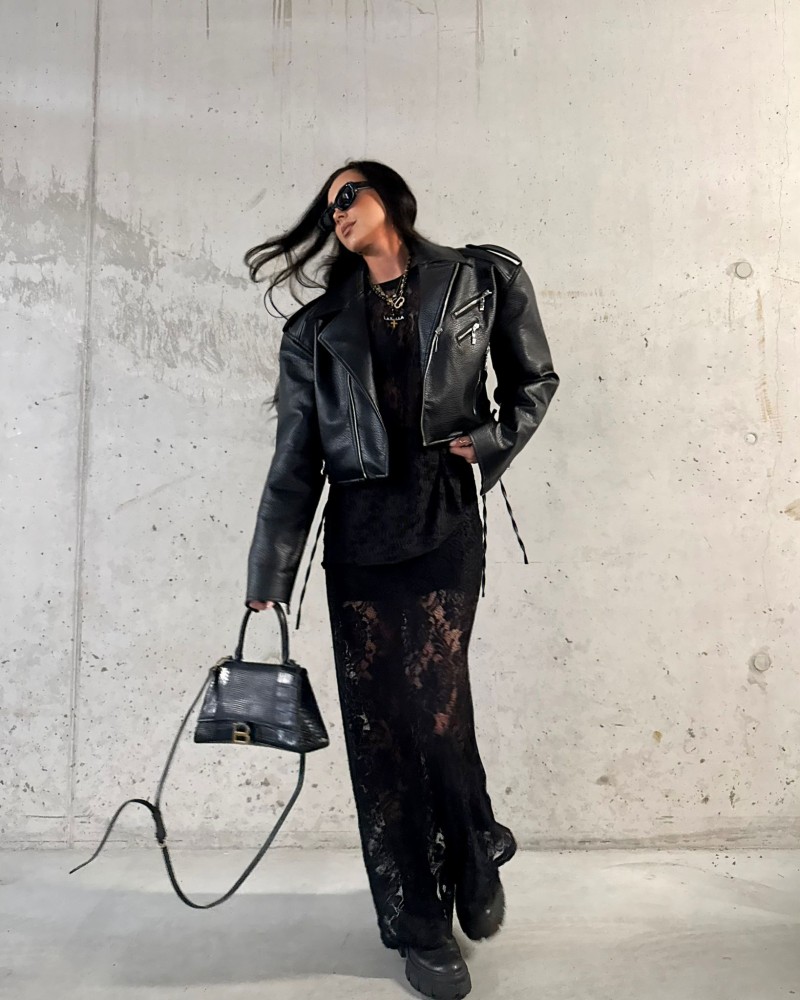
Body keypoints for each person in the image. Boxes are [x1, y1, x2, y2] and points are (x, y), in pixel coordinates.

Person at [243, 160, 559, 1000]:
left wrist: (486, 444)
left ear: (392, 197)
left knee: (436, 706)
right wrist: (269, 568)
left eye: (349, 195)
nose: (338, 213)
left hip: (442, 516)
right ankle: (421, 924)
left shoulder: (481, 278)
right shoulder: (316, 329)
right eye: (328, 208)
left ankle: (473, 841)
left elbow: (534, 382)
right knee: (380, 732)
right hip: (358, 534)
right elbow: (294, 461)